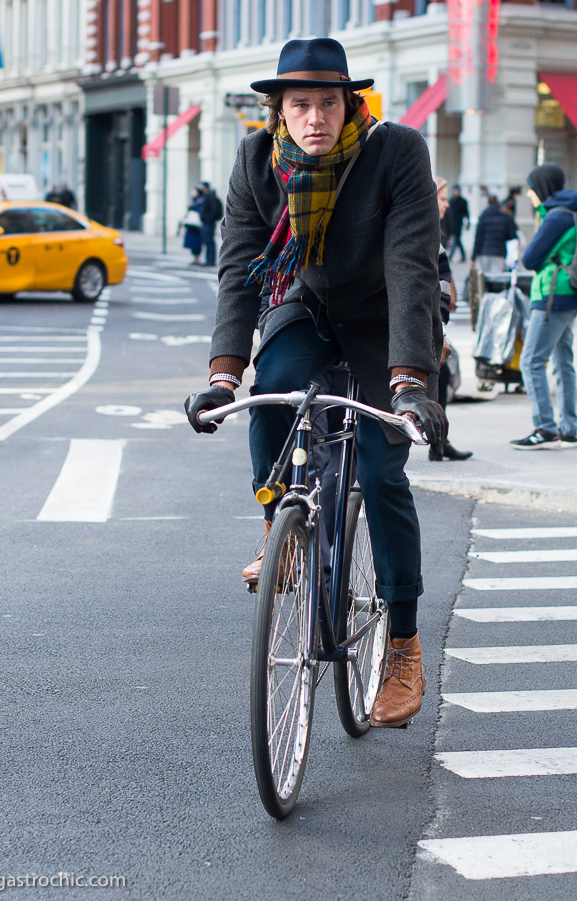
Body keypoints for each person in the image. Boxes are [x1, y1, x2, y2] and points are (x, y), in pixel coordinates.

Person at [184, 37, 447, 729]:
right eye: (299, 104)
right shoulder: (255, 160)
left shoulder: (396, 151)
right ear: (279, 110)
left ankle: (403, 648)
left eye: (328, 102)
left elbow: (411, 268)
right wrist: (221, 375)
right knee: (272, 389)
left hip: (385, 319)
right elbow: (240, 267)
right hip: (305, 302)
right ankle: (283, 532)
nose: (315, 118)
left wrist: (409, 381)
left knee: (385, 470)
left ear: (348, 103)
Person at [510, 162, 577, 450]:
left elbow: (530, 260)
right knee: (563, 362)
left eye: (532, 188)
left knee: (530, 361)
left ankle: (545, 428)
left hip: (552, 296)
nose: (529, 195)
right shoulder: (573, 211)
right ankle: (569, 428)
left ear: (543, 187)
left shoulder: (556, 218)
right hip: (570, 295)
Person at [430, 177, 472, 462]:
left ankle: (439, 442)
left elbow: (442, 275)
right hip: (418, 323)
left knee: (442, 375)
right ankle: (438, 442)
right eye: (442, 199)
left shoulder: (434, 231)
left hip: (431, 321)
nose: (447, 204)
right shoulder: (421, 228)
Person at [471, 194, 518, 277]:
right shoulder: (504, 216)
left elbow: (478, 238)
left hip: (484, 251)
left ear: (488, 203)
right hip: (499, 252)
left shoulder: (483, 216)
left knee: (484, 278)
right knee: (497, 278)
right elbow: (512, 235)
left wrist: (473, 258)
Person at [443, 183, 470, 261]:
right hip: (451, 223)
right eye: (455, 190)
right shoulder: (451, 201)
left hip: (458, 224)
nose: (456, 192)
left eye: (457, 190)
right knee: (457, 240)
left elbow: (466, 213)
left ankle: (451, 256)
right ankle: (462, 255)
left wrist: (467, 223)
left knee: (456, 239)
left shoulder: (463, 202)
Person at [199, 181, 223, 267]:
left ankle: (210, 260)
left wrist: (208, 219)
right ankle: (209, 259)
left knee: (209, 241)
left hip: (209, 223)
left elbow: (213, 210)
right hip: (208, 222)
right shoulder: (209, 196)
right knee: (208, 241)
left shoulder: (210, 197)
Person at [182, 187, 204, 265]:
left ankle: (197, 258)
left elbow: (200, 211)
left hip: (196, 225)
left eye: (194, 191)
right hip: (191, 225)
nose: (192, 192)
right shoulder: (194, 200)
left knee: (196, 242)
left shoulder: (200, 200)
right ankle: (195, 258)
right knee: (192, 243)